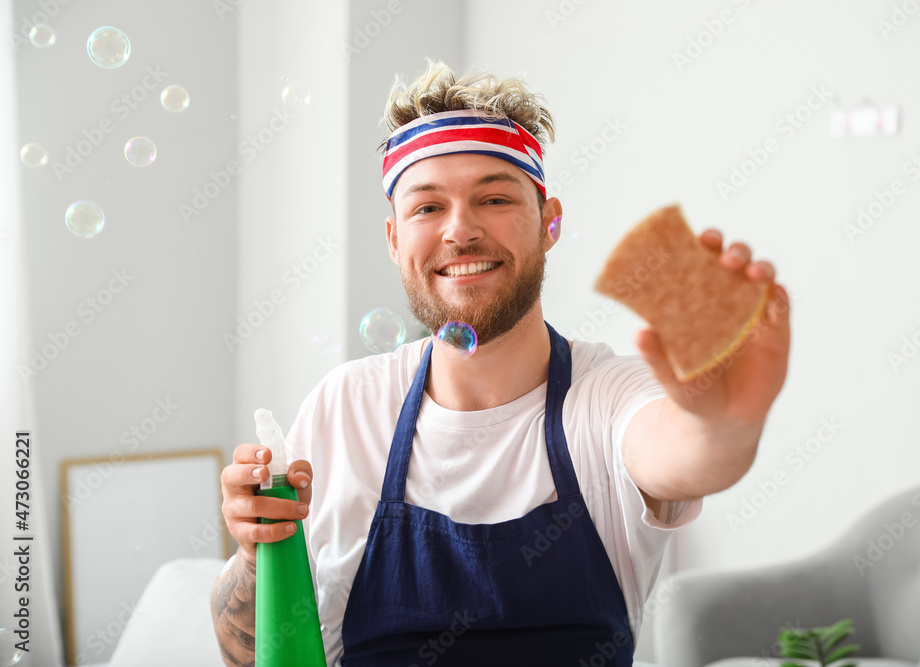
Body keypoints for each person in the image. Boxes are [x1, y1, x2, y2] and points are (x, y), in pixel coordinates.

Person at [211, 60, 791, 666]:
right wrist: (258, 552)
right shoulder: (346, 406)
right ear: (393, 240)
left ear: (550, 222)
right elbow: (246, 655)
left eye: (493, 198)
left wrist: (728, 421)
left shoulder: (606, 394)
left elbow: (685, 450)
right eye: (427, 208)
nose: (460, 231)